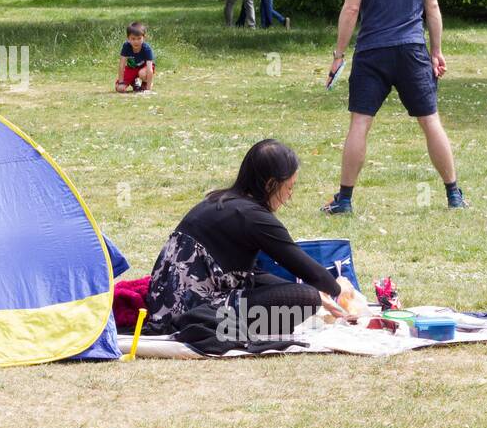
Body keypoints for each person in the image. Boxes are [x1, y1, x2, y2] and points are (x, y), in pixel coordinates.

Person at [322, 0, 467, 214]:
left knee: (359, 124)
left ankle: (344, 201)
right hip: (412, 51)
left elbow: (351, 8)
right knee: (431, 122)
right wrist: (436, 52)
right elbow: (432, 8)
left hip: (372, 52)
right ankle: (454, 195)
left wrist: (338, 54)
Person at [144, 140, 351, 342]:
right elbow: (311, 273)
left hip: (163, 305)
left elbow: (249, 275)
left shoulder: (219, 201)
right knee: (306, 299)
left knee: (286, 288)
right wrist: (339, 288)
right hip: (190, 314)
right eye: (289, 187)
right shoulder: (255, 218)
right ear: (271, 184)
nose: (290, 195)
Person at [114, 21, 155, 93]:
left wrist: (148, 89)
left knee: (142, 74)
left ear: (144, 38)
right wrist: (121, 82)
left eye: (139, 38)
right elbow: (122, 65)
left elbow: (150, 69)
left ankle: (145, 83)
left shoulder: (147, 48)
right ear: (128, 38)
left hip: (144, 69)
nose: (136, 41)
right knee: (120, 89)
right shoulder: (126, 46)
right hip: (131, 68)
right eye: (133, 39)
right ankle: (135, 82)